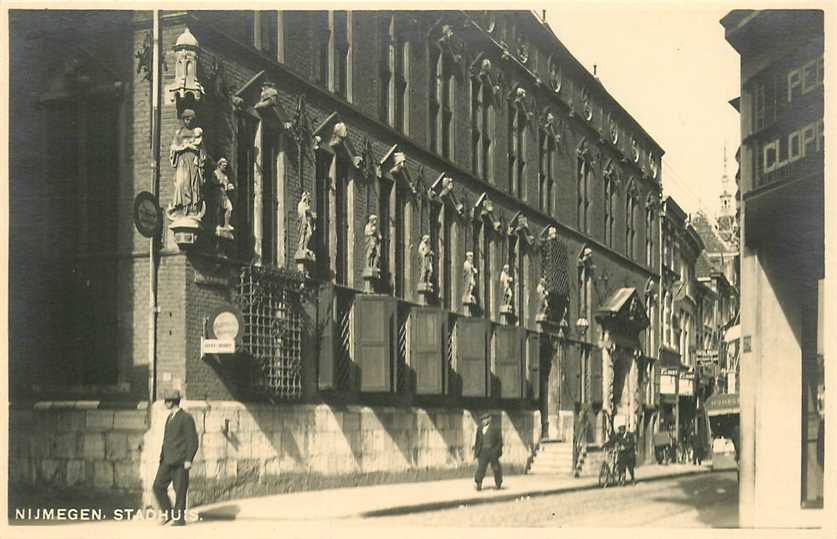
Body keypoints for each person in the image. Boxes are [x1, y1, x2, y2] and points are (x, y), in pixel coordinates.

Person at [153, 389, 199, 526]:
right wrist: (162, 457)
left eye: (166, 400)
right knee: (157, 486)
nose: (164, 403)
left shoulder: (186, 418)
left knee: (179, 490)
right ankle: (168, 513)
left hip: (180, 461)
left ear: (172, 402)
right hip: (167, 460)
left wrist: (189, 459)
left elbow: (193, 440)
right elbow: (166, 439)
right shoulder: (169, 417)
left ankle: (179, 519)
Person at [168, 109, 206, 217]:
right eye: (186, 119)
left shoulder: (196, 132)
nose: (188, 121)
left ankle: (192, 207)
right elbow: (173, 148)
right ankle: (181, 206)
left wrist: (197, 150)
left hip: (193, 161)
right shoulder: (179, 133)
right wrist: (184, 147)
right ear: (183, 119)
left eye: (190, 119)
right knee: (181, 183)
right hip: (182, 161)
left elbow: (202, 151)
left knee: (193, 183)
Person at [473, 413, 503, 491]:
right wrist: (476, 452)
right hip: (483, 451)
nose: (484, 421)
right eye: (482, 419)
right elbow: (477, 441)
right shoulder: (480, 428)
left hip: (492, 451)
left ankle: (498, 483)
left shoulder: (495, 428)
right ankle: (478, 483)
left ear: (489, 419)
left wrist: (496, 451)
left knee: (496, 468)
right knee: (481, 468)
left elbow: (500, 442)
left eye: (486, 419)